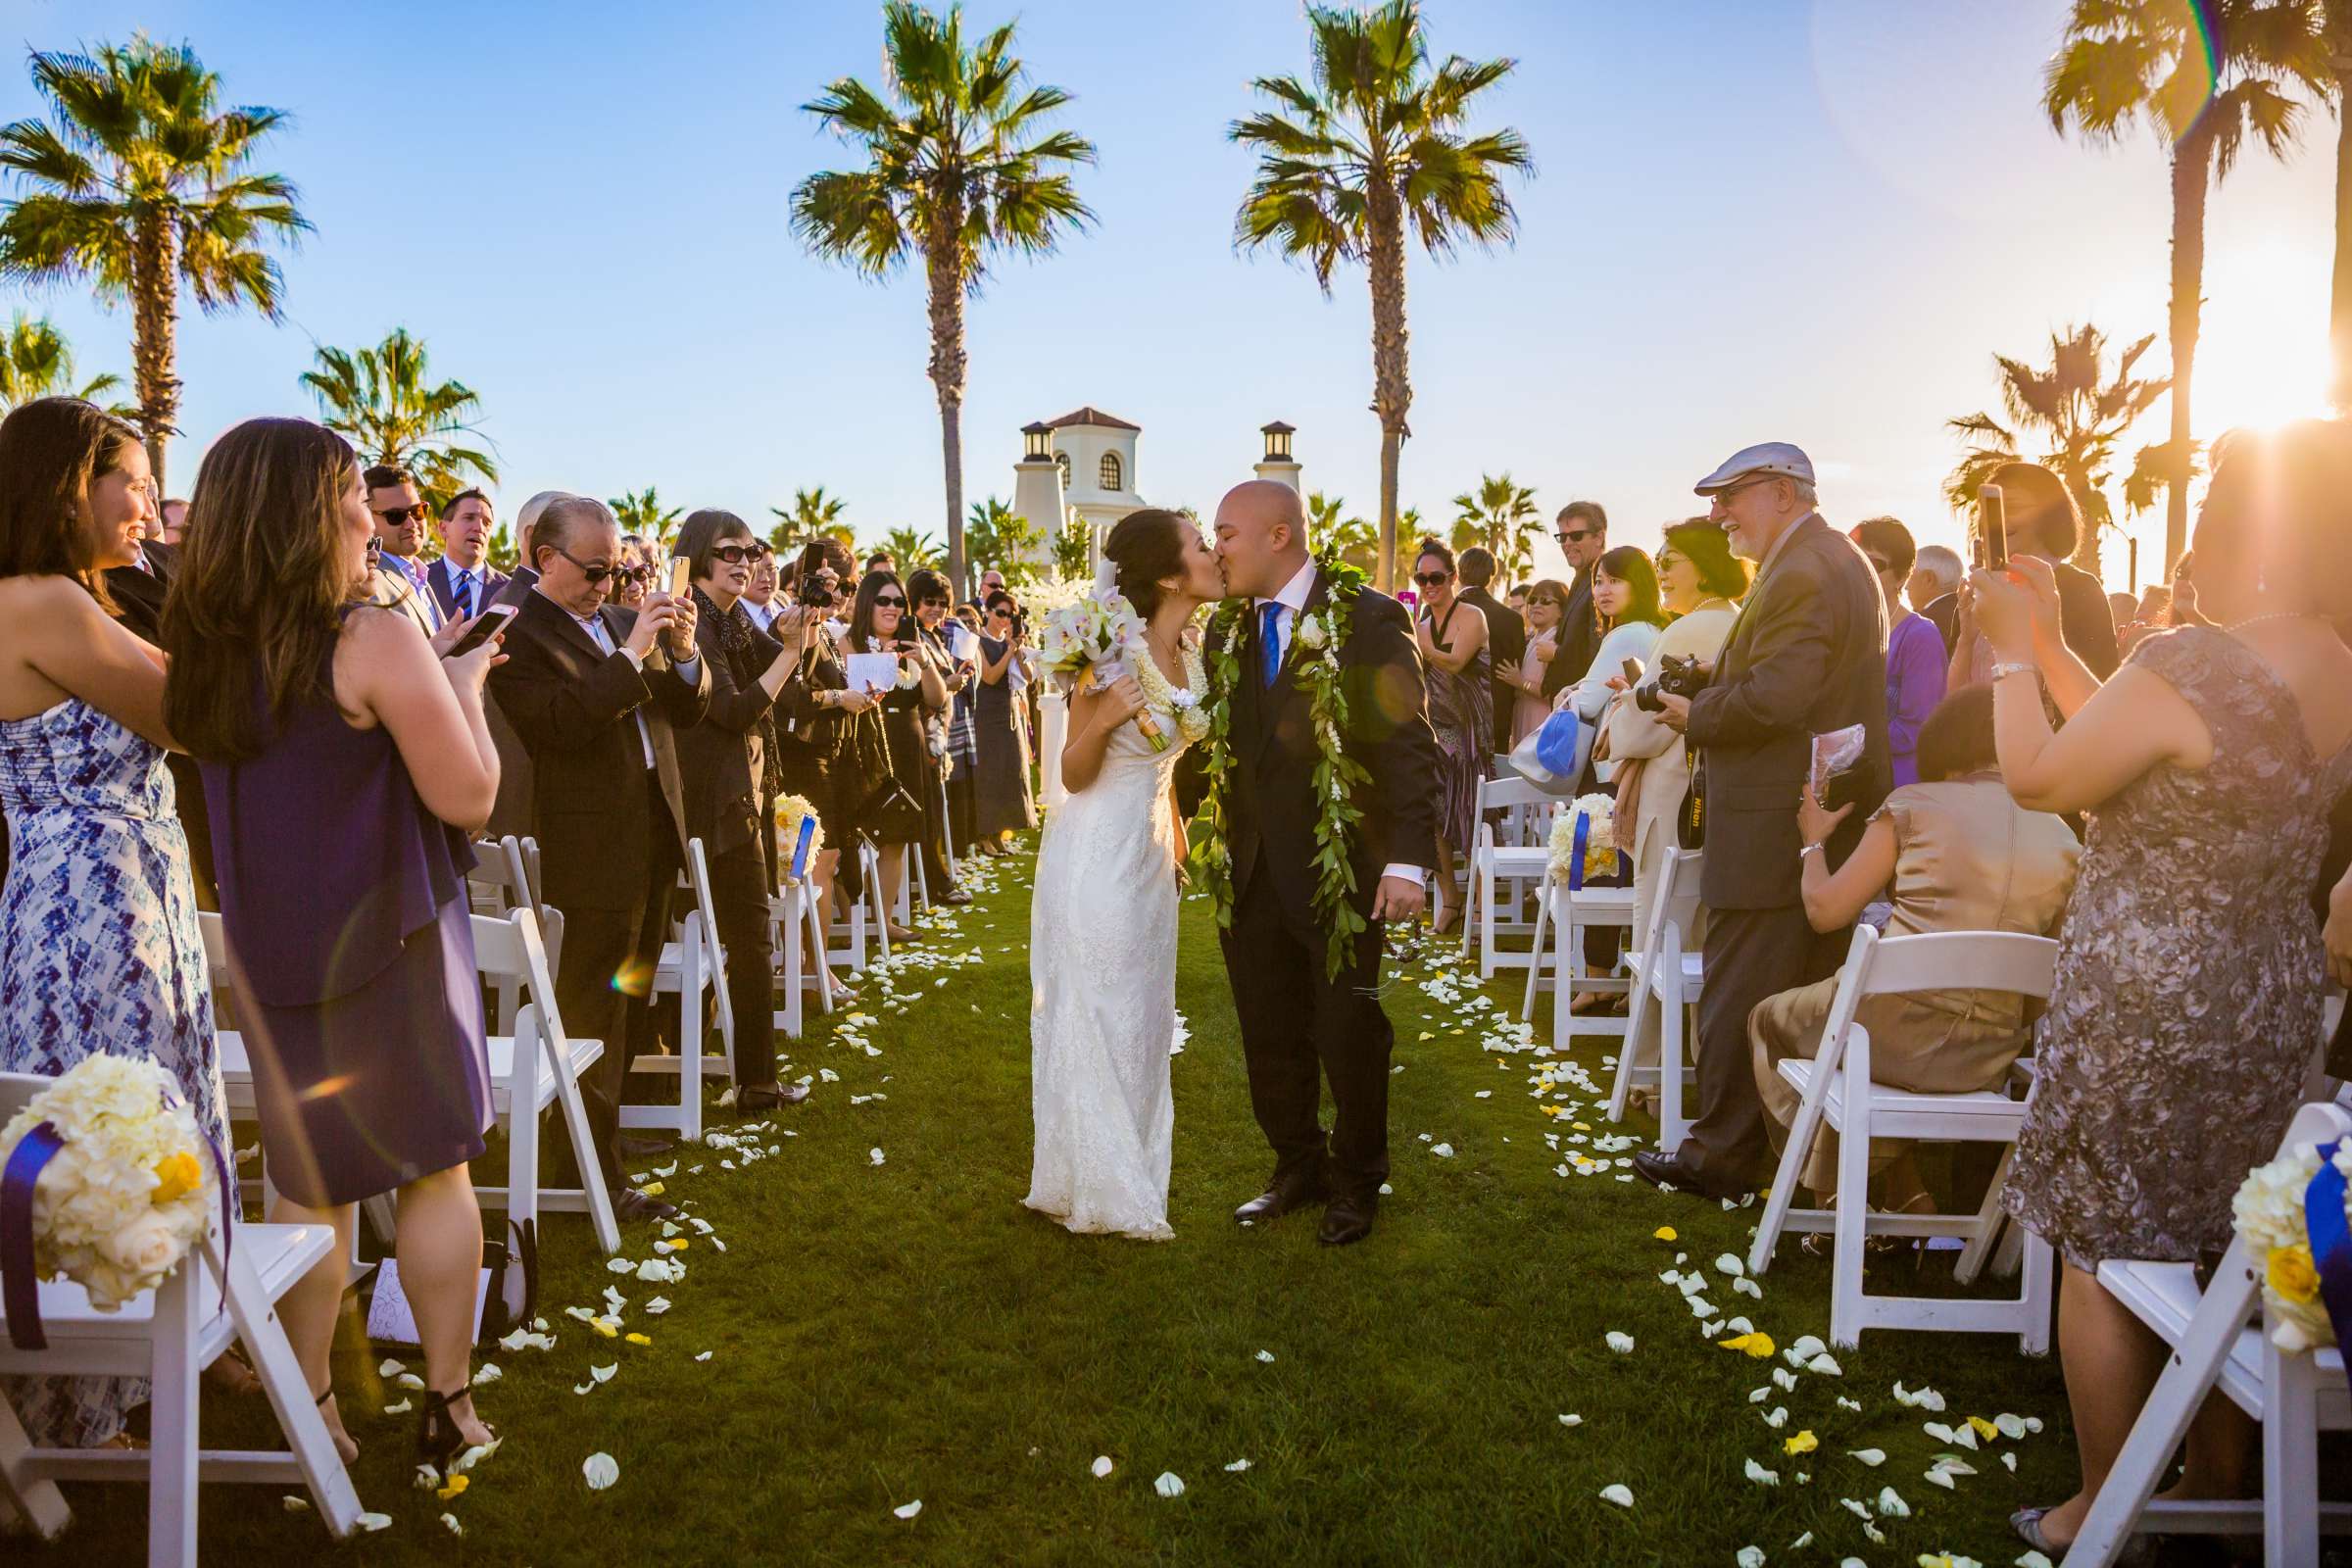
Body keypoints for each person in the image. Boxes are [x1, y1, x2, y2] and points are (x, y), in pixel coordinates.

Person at [1982, 420, 2352, 1557]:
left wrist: (2004, 652)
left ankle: (2104, 1503)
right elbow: (2134, 738)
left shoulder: (2190, 663)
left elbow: (2048, 774)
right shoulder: (2337, 664)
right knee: (2223, 1231)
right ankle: (2217, 1473)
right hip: (2268, 996)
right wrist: (2052, 640)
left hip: (2144, 998)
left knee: (2103, 1245)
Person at [163, 416, 503, 1464]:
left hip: (273, 948)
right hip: (393, 935)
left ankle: (312, 1415)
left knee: (307, 1183)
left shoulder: (200, 657)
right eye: (354, 494)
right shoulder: (371, 636)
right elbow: (470, 794)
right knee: (433, 1171)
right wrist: (465, 689)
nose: (368, 514)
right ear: (313, 512)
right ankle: (448, 1405)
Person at [0, 397, 222, 1452]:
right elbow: (187, 716)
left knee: (125, 1104)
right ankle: (86, 1394)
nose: (145, 502)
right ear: (65, 485)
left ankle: (123, 1391)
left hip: (125, 877)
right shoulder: (39, 599)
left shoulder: (81, 593)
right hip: (91, 896)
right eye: (129, 480)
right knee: (110, 1106)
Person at [1632, 441, 1889, 1202]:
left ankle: (1718, 1155)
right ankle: (1776, 1154)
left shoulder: (1807, 568)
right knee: (1779, 989)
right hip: (1798, 813)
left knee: (1740, 985)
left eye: (1729, 497)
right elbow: (1792, 683)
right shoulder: (1821, 560)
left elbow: (1778, 700)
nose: (1718, 515)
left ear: (1782, 492)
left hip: (1775, 818)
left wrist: (1695, 711)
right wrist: (1721, 678)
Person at [1207, 481, 1440, 1247]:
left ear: (1280, 535)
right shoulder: (1225, 631)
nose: (1218, 549)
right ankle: (1295, 1167)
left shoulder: (1371, 618)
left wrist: (1408, 860)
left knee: (1349, 1031)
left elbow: (1409, 746)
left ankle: (1357, 1179)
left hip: (1344, 873)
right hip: (1250, 871)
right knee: (1267, 1031)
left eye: (1227, 534)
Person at [1750, 685, 2079, 1210]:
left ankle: (1828, 1191)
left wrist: (1813, 841)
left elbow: (1825, 912)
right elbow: (2047, 987)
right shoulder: (2066, 841)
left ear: (1945, 745)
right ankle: (1905, 1193)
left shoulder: (1913, 806)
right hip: (1985, 1056)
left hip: (1883, 1038)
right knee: (1850, 1042)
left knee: (1776, 1020)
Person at [488, 495, 709, 1222]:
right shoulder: (517, 634)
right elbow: (558, 725)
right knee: (590, 1006)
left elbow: (688, 711)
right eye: (594, 569)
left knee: (630, 1000)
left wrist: (683, 654)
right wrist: (629, 655)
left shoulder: (620, 620)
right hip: (587, 849)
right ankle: (588, 1172)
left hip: (651, 836)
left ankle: (599, 1141)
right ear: (544, 558)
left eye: (616, 570)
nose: (608, 585)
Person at [1027, 511, 1224, 1240]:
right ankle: (1098, 1183)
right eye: (1201, 546)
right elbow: (1073, 775)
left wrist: (1172, 844)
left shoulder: (1189, 650)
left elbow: (1165, 770)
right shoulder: (1108, 648)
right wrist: (1105, 713)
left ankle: (1134, 1167)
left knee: (1143, 1015)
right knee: (1099, 1007)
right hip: (1095, 856)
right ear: (1170, 575)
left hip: (1146, 859)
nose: (1213, 555)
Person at [672, 510, 812, 1116]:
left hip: (743, 793)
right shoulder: (694, 624)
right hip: (714, 802)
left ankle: (755, 1076)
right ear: (700, 557)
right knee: (751, 940)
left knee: (751, 939)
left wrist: (794, 635)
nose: (745, 561)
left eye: (751, 551)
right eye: (730, 551)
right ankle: (756, 1083)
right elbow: (732, 711)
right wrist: (789, 651)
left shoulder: (730, 620)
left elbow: (792, 686)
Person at [1599, 520, 1750, 952]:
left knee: (1660, 933)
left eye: (1668, 562)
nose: (1660, 573)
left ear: (1703, 567)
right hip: (1714, 797)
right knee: (1701, 942)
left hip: (1676, 801)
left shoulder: (1689, 629)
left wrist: (1622, 706)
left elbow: (1646, 726)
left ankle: (1654, 1022)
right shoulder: (1734, 621)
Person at [99, 505, 215, 906]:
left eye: (150, 486)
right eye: (133, 487)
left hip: (166, 837)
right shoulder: (59, 598)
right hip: (102, 865)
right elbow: (187, 720)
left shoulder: (172, 559)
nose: (147, 506)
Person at [1947, 461, 2120, 694]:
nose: (1999, 519)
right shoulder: (1981, 592)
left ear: (2049, 515)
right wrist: (1966, 639)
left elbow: (2097, 693)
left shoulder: (2079, 589)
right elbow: (1950, 699)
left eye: (2012, 507)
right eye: (1990, 509)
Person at [845, 568, 950, 938]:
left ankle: (885, 921)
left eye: (898, 602)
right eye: (883, 601)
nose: (892, 608)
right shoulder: (849, 644)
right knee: (853, 834)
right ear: (867, 605)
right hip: (863, 744)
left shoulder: (911, 645)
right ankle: (849, 917)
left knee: (897, 836)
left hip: (906, 742)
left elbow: (936, 699)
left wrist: (923, 661)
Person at [1411, 538, 1490, 933]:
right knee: (1432, 816)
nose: (1428, 585)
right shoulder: (1422, 624)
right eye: (1421, 578)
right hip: (1435, 731)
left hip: (1470, 733)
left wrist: (1422, 646)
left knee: (1469, 818)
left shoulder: (1472, 615)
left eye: (1436, 577)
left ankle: (1477, 905)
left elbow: (1457, 663)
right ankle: (1451, 899)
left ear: (1453, 577)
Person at [1852, 516, 1946, 787]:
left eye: (1874, 564)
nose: (1862, 571)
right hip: (1849, 782)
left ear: (1902, 577)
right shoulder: (1847, 628)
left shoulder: (1920, 636)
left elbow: (1916, 730)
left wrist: (1846, 737)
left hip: (1896, 787)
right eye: (1855, 561)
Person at [906, 566, 972, 904]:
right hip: (921, 731)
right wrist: (948, 684)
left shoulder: (934, 636)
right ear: (914, 602)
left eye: (942, 603)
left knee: (935, 806)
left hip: (940, 733)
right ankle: (935, 880)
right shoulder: (913, 635)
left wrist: (956, 677)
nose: (936, 609)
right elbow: (915, 686)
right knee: (927, 811)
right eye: (928, 601)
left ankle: (935, 877)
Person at [973, 589, 1039, 853]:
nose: (1004, 619)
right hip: (987, 713)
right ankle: (985, 834)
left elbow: (1030, 676)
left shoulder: (1013, 643)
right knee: (989, 774)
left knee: (1010, 772)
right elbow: (988, 676)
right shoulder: (977, 641)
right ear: (987, 612)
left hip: (1010, 711)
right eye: (999, 613)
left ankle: (1001, 832)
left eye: (1009, 615)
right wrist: (1010, 649)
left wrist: (1018, 648)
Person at [1456, 544, 1525, 758]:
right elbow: (1517, 665)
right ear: (1491, 576)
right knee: (1494, 779)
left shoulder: (1442, 611)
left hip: (1453, 713)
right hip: (1498, 714)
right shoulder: (1512, 619)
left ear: (1458, 572)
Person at [363, 464, 442, 636]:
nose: (411, 524)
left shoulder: (420, 576)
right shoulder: (367, 581)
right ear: (367, 519)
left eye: (417, 511)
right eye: (395, 516)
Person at [1548, 502, 1609, 705]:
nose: (1567, 543)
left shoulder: (1602, 582)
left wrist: (1556, 653)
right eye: (1562, 537)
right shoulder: (1581, 580)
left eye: (1576, 536)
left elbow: (1600, 652)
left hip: (1585, 705)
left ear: (1599, 537)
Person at [425, 487, 508, 623]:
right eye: (469, 518)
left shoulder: (508, 590)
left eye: (487, 523)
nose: (479, 528)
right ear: (444, 528)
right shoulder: (419, 581)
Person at [1504, 578, 1568, 747]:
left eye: (1545, 601)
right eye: (1532, 600)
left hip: (1541, 723)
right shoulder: (1534, 638)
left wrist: (1520, 683)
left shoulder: (1554, 641)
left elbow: (1555, 693)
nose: (1536, 605)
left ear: (1562, 610)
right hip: (1524, 720)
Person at [1909, 543, 1964, 654]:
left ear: (1928, 579)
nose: (1905, 586)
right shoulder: (1970, 613)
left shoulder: (1920, 626)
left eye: (1909, 576)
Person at [742, 548, 782, 633]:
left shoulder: (784, 602)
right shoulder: (730, 614)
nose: (765, 578)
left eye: (770, 569)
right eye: (756, 571)